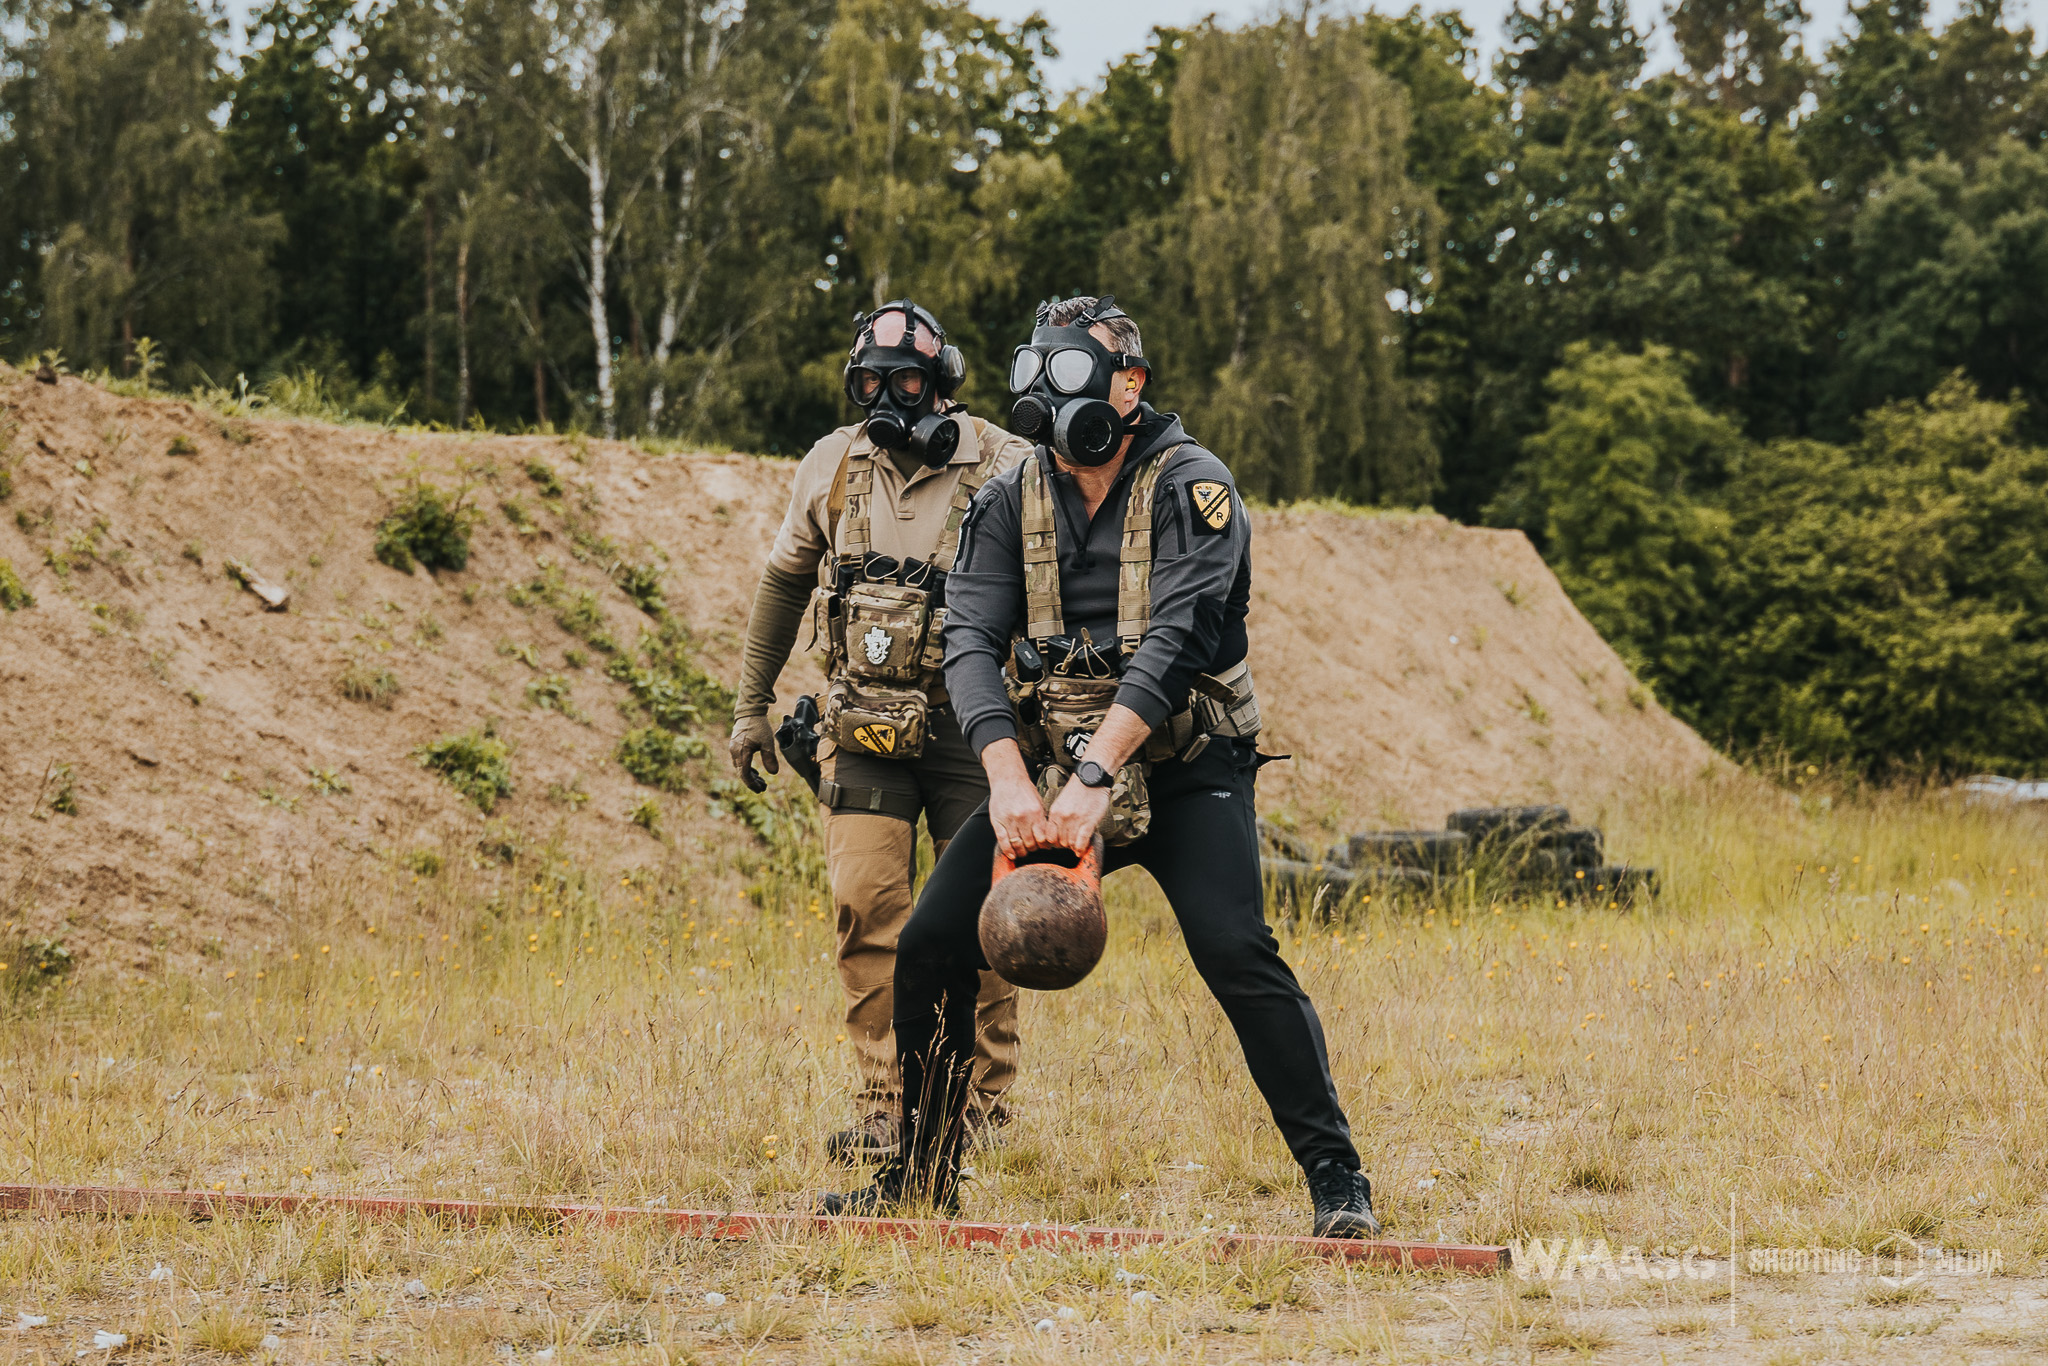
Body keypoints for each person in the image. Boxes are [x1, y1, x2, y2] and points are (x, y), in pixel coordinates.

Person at [820, 295, 1381, 1239]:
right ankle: (922, 1179)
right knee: (929, 946)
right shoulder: (1007, 496)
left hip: (1187, 763)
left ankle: (1337, 1180)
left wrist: (1092, 784)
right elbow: (968, 640)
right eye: (1037, 377)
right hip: (1048, 772)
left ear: (1130, 384)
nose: (1051, 400)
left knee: (1236, 949)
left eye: (1072, 374)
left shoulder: (1194, 484)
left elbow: (1180, 636)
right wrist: (1007, 778)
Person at [729, 300, 1035, 1164]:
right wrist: (751, 708)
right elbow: (784, 585)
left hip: (978, 732)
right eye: (870, 382)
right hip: (862, 728)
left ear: (943, 386)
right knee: (867, 908)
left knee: (984, 921)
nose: (887, 400)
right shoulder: (831, 466)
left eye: (905, 381)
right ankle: (888, 1107)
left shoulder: (1008, 465)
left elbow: (1053, 593)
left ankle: (980, 1108)